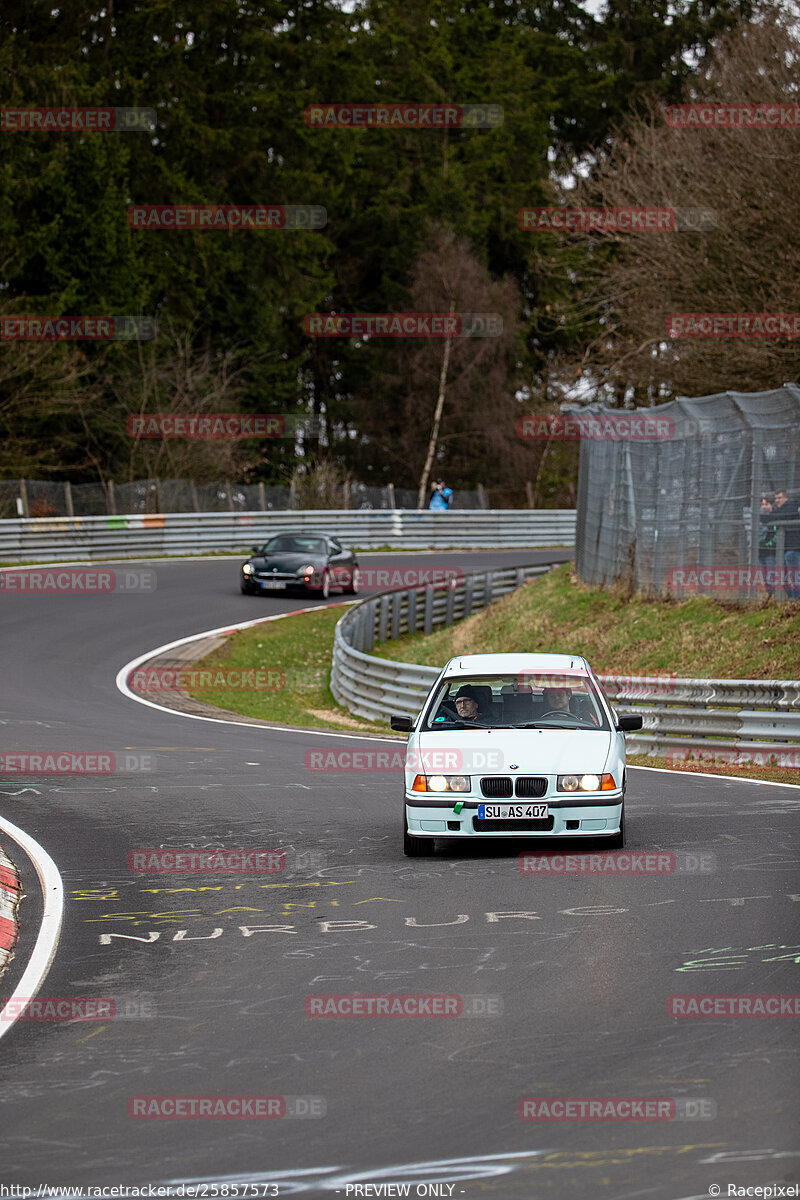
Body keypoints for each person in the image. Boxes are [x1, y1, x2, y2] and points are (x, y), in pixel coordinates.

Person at [772, 488, 800, 601]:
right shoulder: (779, 510)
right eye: (775, 498)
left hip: (794, 547)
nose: (777, 500)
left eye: (779, 498)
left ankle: (797, 597)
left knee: (794, 574)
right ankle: (792, 598)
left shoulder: (791, 507)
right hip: (783, 548)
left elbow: (782, 516)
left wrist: (773, 514)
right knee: (782, 576)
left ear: (786, 498)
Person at [759, 494, 777, 596]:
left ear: (771, 505)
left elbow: (775, 535)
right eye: (762, 504)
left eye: (766, 504)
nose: (764, 507)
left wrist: (768, 544)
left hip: (770, 551)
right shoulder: (759, 519)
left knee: (771, 576)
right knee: (765, 577)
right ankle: (769, 595)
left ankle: (774, 596)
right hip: (760, 551)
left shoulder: (775, 517)